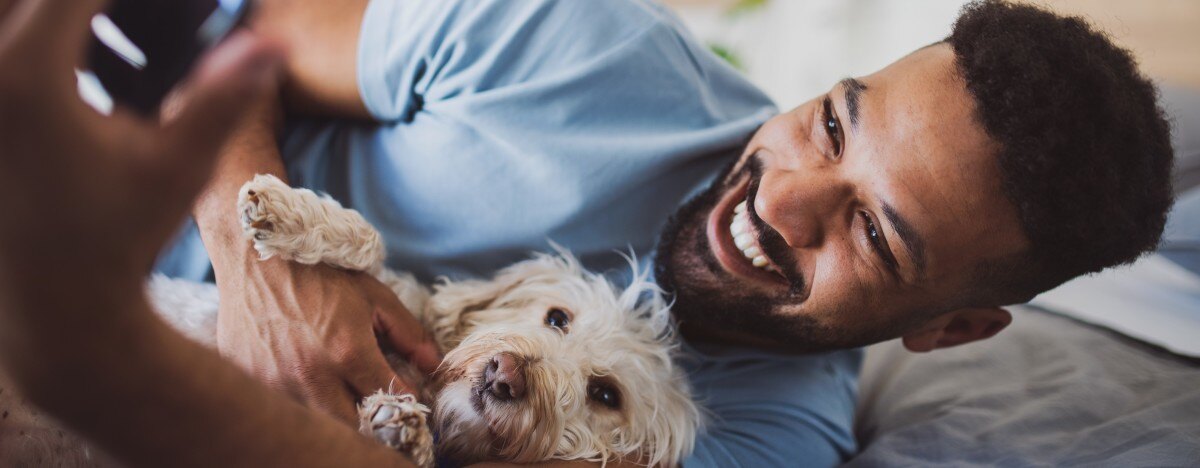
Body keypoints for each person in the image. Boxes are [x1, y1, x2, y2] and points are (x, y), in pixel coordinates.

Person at [0, 0, 1173, 466]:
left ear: (954, 326)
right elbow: (230, 29)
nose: (783, 202)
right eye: (831, 125)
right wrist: (266, 266)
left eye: (875, 233)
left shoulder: (765, 439)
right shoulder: (572, 43)